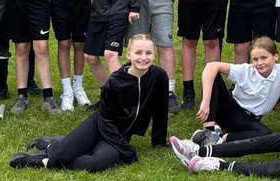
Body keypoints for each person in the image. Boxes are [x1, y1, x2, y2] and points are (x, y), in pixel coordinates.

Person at [9, 34, 170, 171]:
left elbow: (161, 110)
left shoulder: (159, 76)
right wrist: (126, 149)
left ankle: (42, 161)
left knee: (99, 162)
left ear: (154, 55)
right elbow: (106, 120)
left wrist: (159, 142)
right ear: (128, 55)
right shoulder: (115, 81)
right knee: (61, 154)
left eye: (148, 53)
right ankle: (53, 147)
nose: (144, 57)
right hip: (99, 125)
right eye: (138, 52)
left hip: (118, 135)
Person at [195, 36, 280, 143]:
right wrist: (206, 101)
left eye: (264, 57)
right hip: (229, 109)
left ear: (275, 56)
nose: (259, 63)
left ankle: (221, 137)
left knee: (266, 134)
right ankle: (208, 132)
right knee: (214, 75)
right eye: (255, 59)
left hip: (249, 121)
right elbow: (211, 66)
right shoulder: (246, 71)